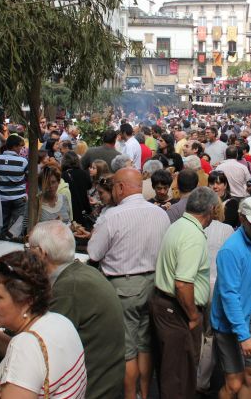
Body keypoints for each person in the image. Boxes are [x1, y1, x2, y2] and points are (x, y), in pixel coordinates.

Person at [87, 168, 171, 399]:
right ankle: (143, 394)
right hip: (154, 284)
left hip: (124, 287)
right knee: (144, 344)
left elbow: (93, 253)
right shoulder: (159, 214)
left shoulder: (112, 216)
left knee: (128, 349)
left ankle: (129, 396)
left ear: (121, 187)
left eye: (114, 186)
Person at [28, 221, 125, 399]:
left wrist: (0, 339)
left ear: (41, 253)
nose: (27, 254)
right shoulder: (82, 271)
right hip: (108, 378)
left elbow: (41, 351)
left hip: (94, 387)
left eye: (30, 248)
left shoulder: (68, 288)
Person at [0, 251, 87, 398]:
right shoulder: (60, 321)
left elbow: (26, 355)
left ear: (27, 301)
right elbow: (36, 364)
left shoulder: (25, 347)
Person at [151, 187, 220, 398]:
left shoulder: (179, 225)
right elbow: (182, 283)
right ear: (210, 210)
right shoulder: (193, 235)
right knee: (179, 377)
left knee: (173, 373)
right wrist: (192, 316)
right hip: (177, 311)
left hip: (167, 306)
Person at [210, 196, 251, 399]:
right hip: (233, 326)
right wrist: (243, 335)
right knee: (234, 382)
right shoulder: (231, 250)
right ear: (242, 219)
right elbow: (229, 295)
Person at [0, 135, 29, 239]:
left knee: (2, 224)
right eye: (20, 147)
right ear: (14, 146)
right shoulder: (23, 161)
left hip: (2, 197)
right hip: (19, 198)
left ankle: (0, 242)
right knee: (16, 227)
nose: (21, 149)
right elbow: (29, 175)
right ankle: (12, 244)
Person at [61, 151, 92, 227]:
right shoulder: (84, 173)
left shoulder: (62, 175)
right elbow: (89, 186)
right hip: (83, 207)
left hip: (69, 208)